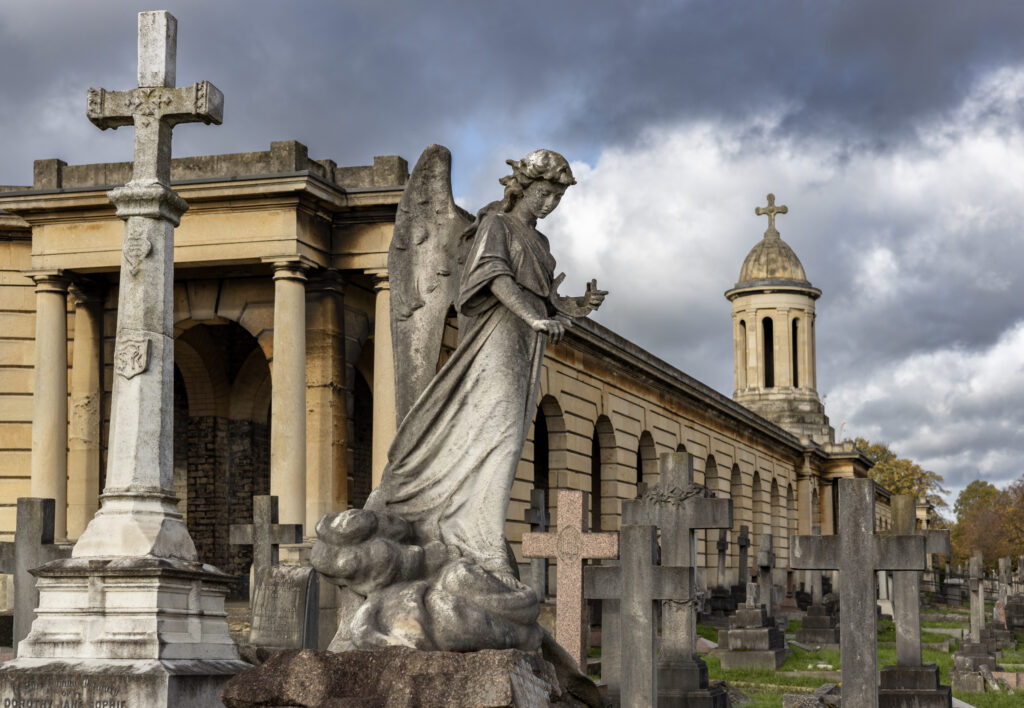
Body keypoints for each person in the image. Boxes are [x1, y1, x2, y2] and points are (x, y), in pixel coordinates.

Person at [366, 149, 604, 578]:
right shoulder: (495, 225)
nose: (550, 203)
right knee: (500, 438)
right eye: (545, 193)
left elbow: (543, 297)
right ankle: (483, 540)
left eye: (558, 197)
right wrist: (532, 318)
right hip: (495, 344)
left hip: (524, 348)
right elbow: (494, 278)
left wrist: (577, 306)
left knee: (508, 440)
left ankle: (475, 532)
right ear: (524, 187)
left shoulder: (540, 243)